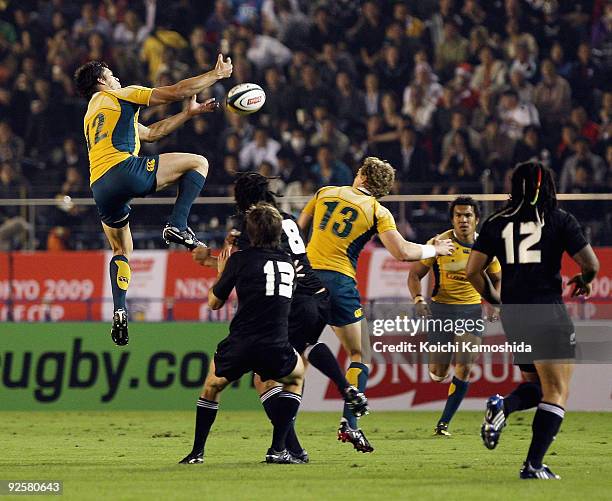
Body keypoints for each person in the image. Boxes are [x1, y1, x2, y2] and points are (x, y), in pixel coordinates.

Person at [192, 173, 369, 463]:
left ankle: (289, 449)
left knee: (264, 378)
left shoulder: (252, 222)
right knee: (300, 354)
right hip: (318, 294)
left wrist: (209, 261)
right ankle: (342, 385)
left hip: (289, 298)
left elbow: (249, 268)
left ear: (243, 198)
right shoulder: (284, 216)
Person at [73, 55, 233, 346]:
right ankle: (178, 224)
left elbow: (151, 133)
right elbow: (175, 91)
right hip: (124, 171)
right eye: (112, 74)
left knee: (122, 248)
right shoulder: (119, 94)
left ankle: (120, 308)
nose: (117, 78)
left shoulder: (92, 116)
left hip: (100, 186)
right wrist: (215, 75)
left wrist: (187, 114)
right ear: (101, 81)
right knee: (198, 163)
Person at [298, 156, 454, 452]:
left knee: (301, 353)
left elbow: (295, 228)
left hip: (305, 278)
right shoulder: (376, 211)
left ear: (363, 177)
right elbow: (403, 252)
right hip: (339, 282)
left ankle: (286, 436)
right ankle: (350, 425)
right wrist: (435, 248)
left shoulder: (325, 192)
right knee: (359, 353)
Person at [466, 161, 600, 479]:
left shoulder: (495, 222)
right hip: (547, 310)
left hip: (515, 314)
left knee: (537, 386)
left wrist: (496, 300)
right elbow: (591, 264)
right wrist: (585, 278)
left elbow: (473, 271)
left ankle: (504, 406)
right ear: (548, 186)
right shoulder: (559, 219)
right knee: (556, 390)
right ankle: (533, 465)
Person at [179, 203, 305, 465]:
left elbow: (214, 303)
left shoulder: (239, 259)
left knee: (212, 387)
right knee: (296, 377)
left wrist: (222, 272)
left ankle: (197, 453)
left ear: (252, 232)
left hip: (241, 343)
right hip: (275, 343)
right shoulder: (289, 263)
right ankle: (277, 449)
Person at [407, 196, 501, 436]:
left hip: (471, 310)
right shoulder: (439, 243)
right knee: (438, 375)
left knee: (465, 366)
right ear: (452, 219)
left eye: (468, 215)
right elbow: (414, 275)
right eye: (458, 215)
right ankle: (441, 371)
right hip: (441, 310)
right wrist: (418, 299)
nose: (463, 220)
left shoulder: (486, 247)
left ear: (476, 219)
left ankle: (443, 424)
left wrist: (495, 303)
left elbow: (498, 278)